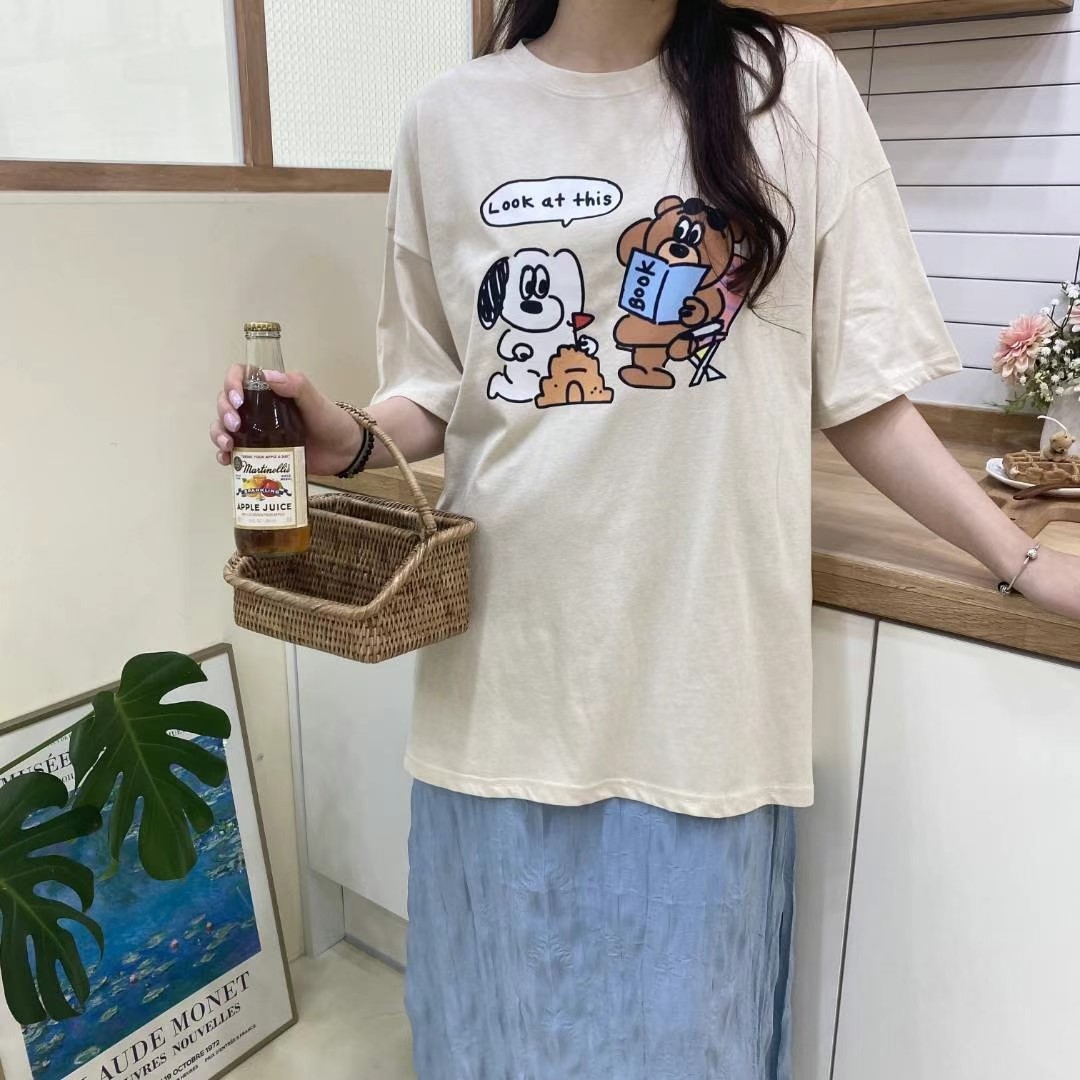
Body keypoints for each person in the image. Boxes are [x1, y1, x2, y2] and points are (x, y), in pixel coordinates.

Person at [210, 2, 1080, 1076]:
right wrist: (340, 436)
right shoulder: (449, 117)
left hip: (701, 698)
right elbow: (435, 391)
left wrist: (1023, 560)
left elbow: (862, 395)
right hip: (507, 688)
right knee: (503, 1040)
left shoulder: (790, 85)